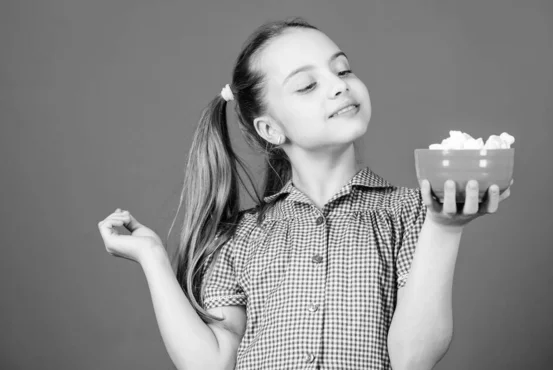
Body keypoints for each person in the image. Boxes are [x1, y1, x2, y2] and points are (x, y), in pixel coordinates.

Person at [97, 17, 513, 370]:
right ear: (270, 129)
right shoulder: (241, 237)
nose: (338, 86)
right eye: (306, 85)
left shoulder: (410, 213)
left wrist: (444, 227)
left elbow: (412, 358)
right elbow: (211, 363)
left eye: (343, 70)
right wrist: (152, 256)